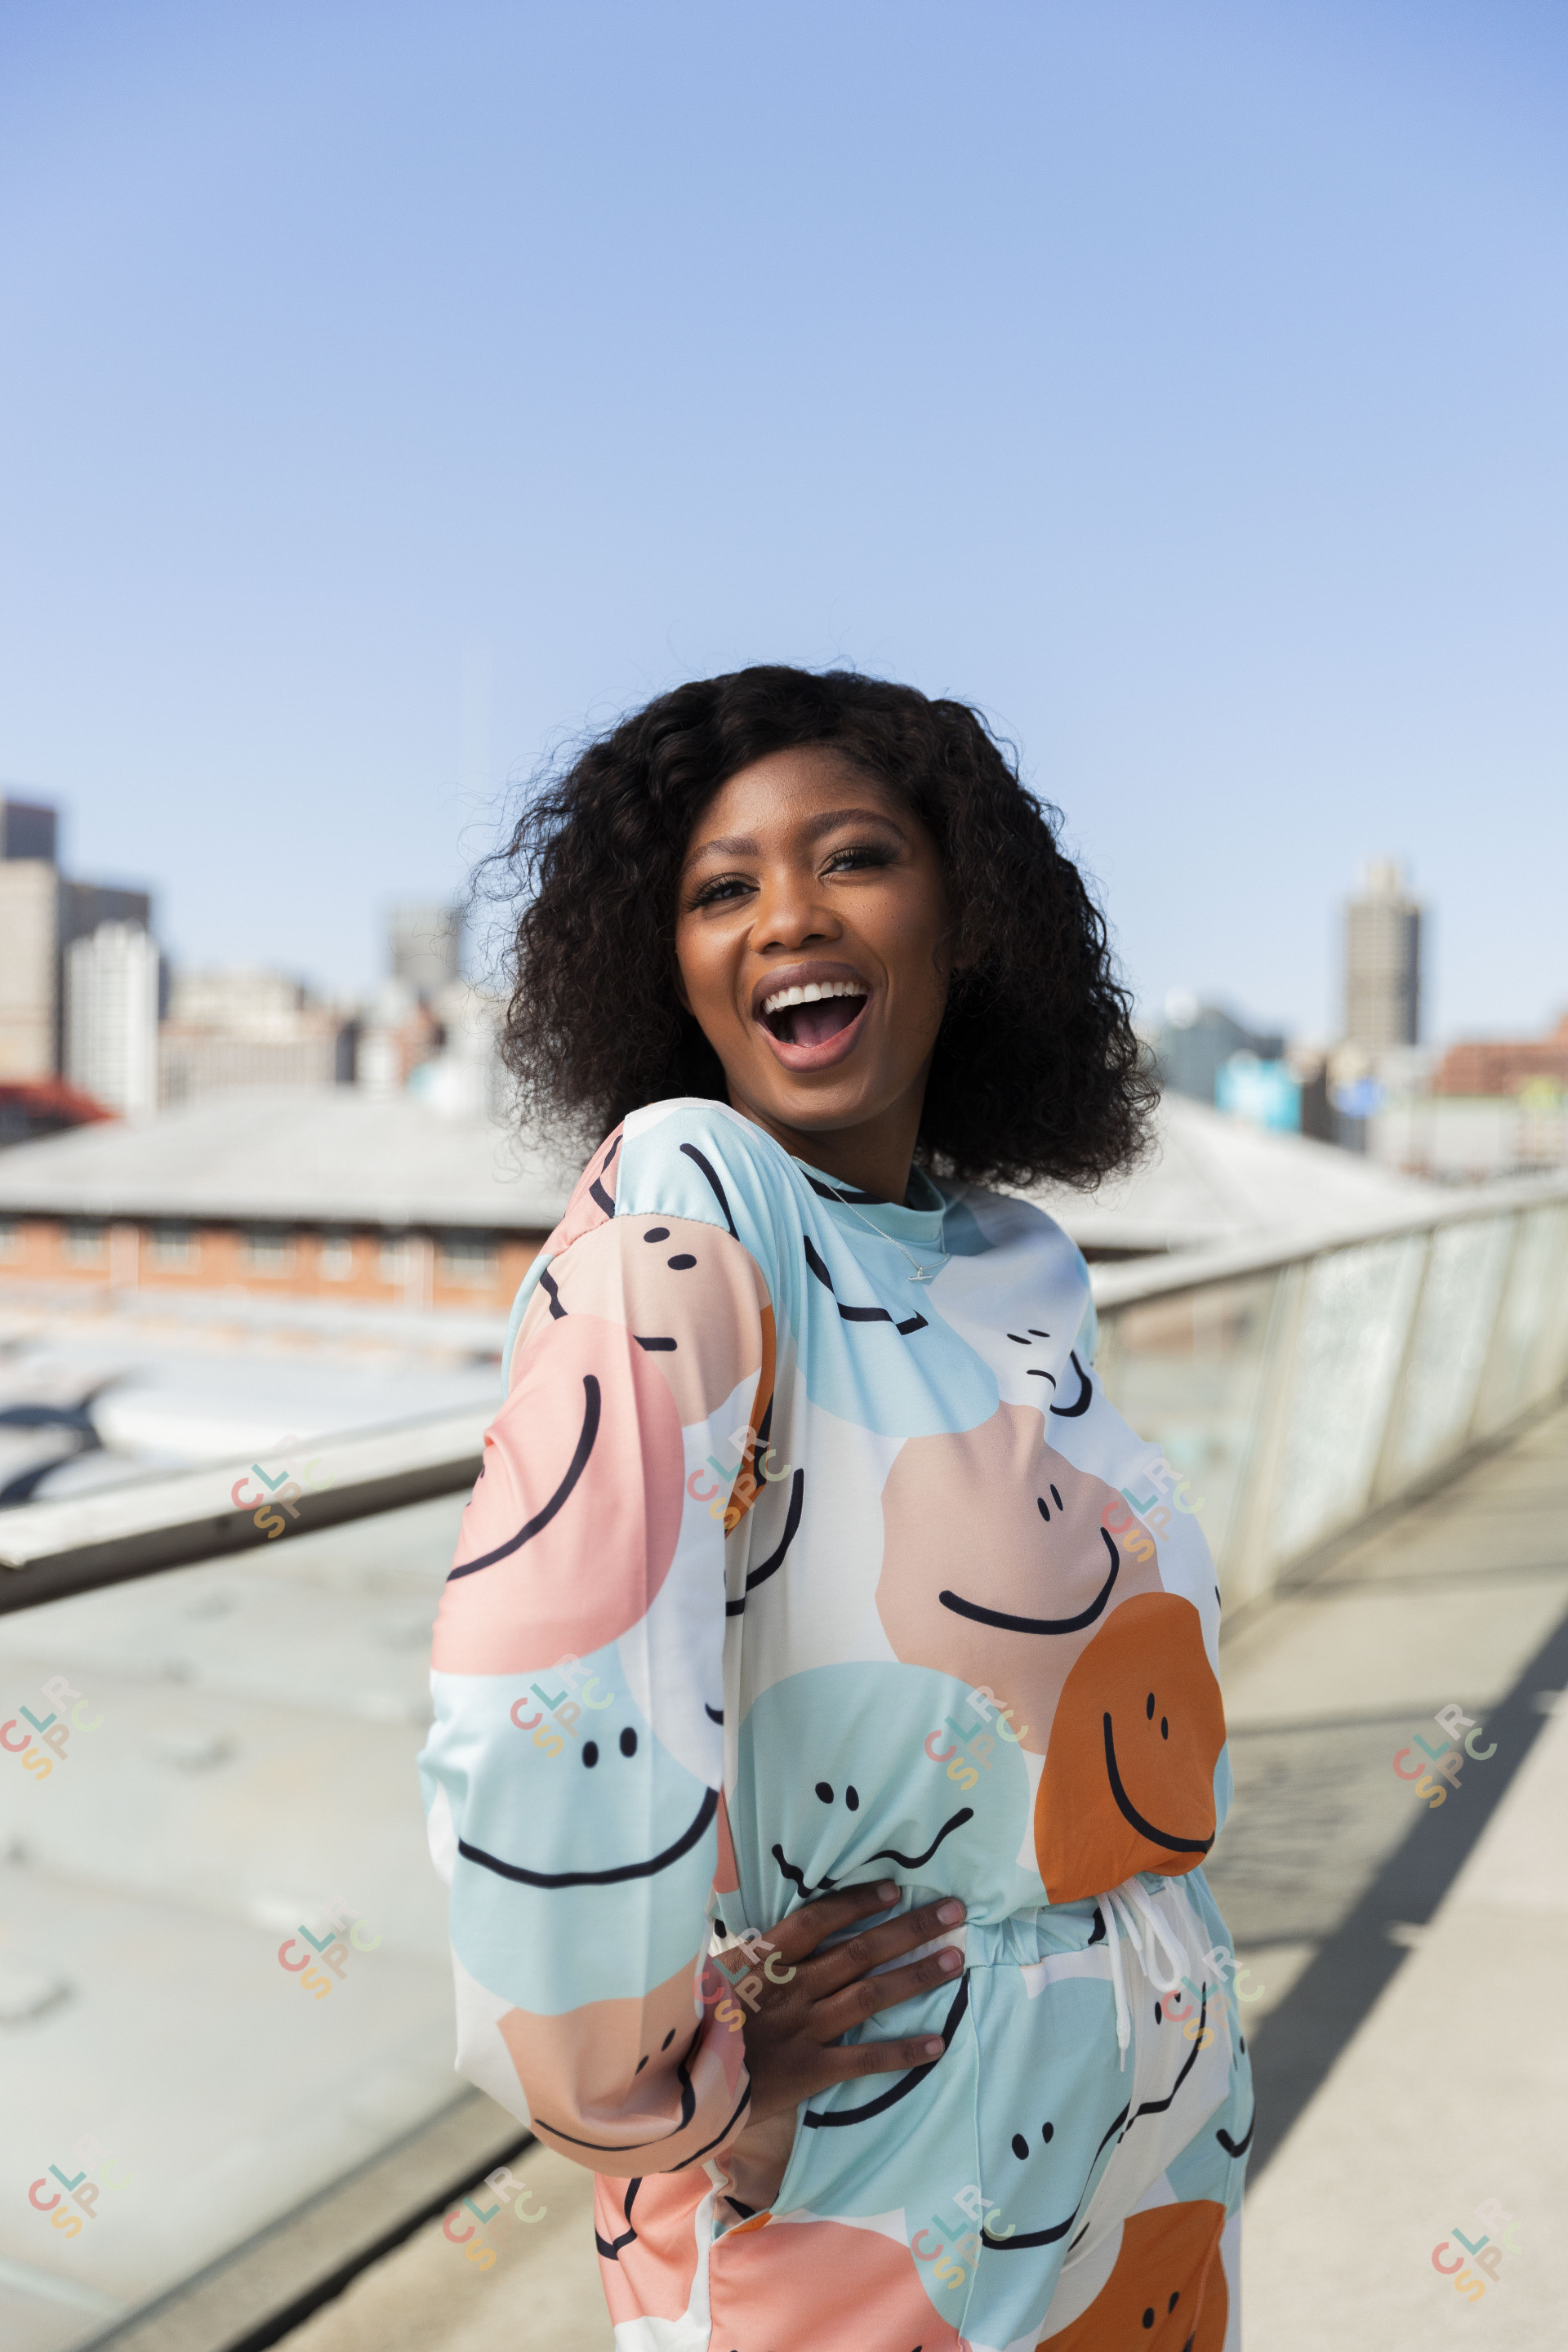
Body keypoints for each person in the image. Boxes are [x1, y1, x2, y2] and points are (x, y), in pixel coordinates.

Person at [419, 666, 1251, 2350]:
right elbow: (547, 1684)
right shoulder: (694, 1198)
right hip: (876, 2164)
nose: (785, 917)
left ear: (968, 916)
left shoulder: (1017, 1254)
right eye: (721, 889)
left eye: (854, 858)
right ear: (667, 965)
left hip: (1144, 2125)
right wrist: (666, 2103)